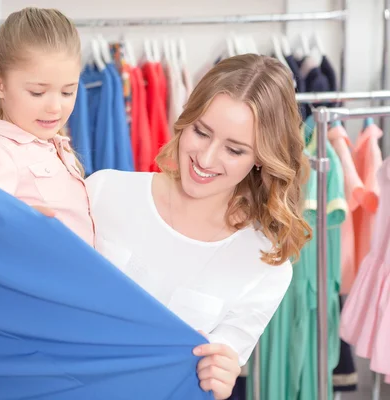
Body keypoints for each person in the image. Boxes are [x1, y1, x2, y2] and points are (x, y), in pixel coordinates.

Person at [85, 54, 312, 399]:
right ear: (185, 120)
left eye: (234, 150)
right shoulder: (103, 192)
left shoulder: (264, 265)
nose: (205, 159)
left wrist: (221, 379)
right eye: (201, 132)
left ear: (260, 160)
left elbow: (219, 367)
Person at [0, 7, 94, 247]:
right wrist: (16, 230)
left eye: (68, 91)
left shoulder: (58, 148)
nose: (55, 107)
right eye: (37, 92)